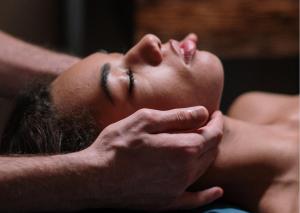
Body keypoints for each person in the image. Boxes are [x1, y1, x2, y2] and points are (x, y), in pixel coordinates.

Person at [2, 33, 298, 213]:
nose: (147, 43)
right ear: (147, 154)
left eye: (118, 54)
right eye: (129, 79)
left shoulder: (254, 105)